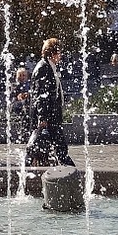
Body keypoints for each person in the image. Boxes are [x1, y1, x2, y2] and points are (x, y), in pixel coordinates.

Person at [29, 37, 74, 167]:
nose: (61, 56)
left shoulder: (49, 66)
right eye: (59, 52)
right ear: (53, 53)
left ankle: (53, 174)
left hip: (51, 116)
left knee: (49, 151)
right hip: (48, 118)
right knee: (60, 149)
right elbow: (41, 95)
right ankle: (73, 175)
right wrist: (42, 117)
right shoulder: (44, 67)